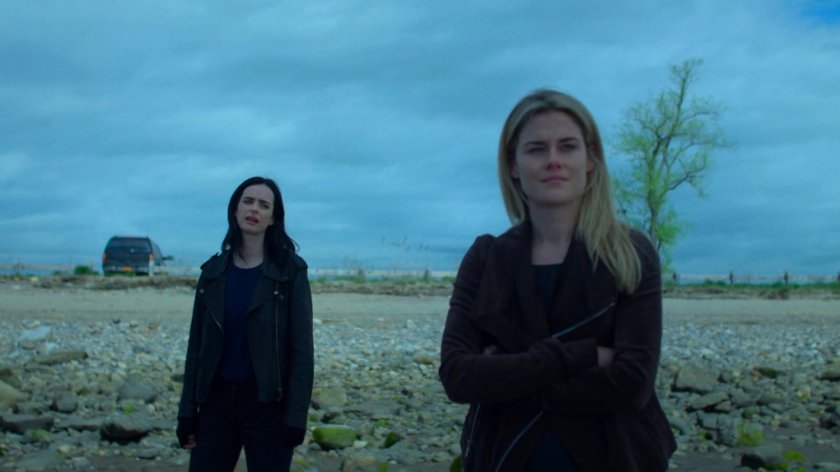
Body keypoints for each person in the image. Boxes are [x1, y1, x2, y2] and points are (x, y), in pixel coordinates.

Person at [439, 90, 676, 471]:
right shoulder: (486, 259)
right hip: (505, 456)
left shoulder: (630, 253)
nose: (553, 161)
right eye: (536, 149)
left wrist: (506, 374)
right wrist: (586, 355)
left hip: (616, 456)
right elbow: (457, 376)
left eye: (567, 147)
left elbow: (633, 382)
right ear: (513, 165)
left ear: (591, 159)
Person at [176, 176, 314, 472]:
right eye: (248, 201)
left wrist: (295, 417)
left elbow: (302, 350)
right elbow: (196, 349)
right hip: (215, 404)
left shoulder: (290, 272)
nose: (254, 209)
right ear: (235, 209)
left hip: (268, 407)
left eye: (264, 205)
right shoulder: (212, 273)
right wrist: (187, 413)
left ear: (274, 218)